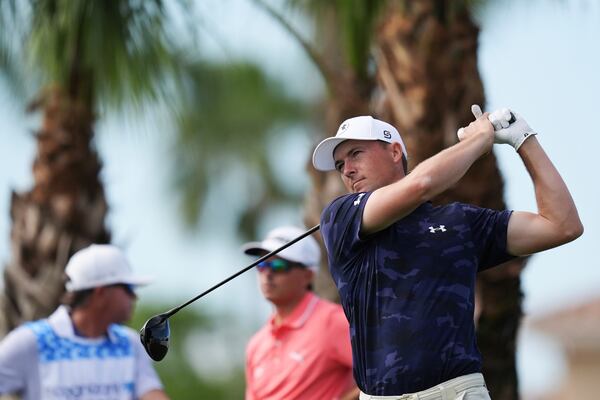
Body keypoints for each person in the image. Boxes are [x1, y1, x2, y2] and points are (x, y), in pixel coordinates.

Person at [311, 106, 583, 399]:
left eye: (356, 154)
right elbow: (420, 184)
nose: (347, 170)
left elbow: (562, 225)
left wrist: (523, 139)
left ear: (393, 152)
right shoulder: (341, 218)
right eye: (340, 165)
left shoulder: (459, 221)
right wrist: (478, 141)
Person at [0, 244, 170, 400]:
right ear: (101, 292)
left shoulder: (131, 343)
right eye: (128, 288)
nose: (135, 296)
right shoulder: (32, 341)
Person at [242, 226, 360, 400]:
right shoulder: (256, 344)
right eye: (262, 263)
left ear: (308, 275)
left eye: (278, 265)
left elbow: (384, 374)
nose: (267, 273)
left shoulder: (333, 321)